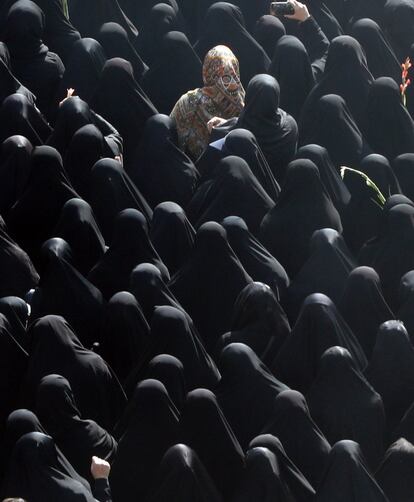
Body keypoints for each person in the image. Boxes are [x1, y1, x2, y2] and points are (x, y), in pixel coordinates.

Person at [170, 45, 245, 160]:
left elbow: (171, 135)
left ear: (207, 69)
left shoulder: (190, 100)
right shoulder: (244, 103)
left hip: (193, 165)